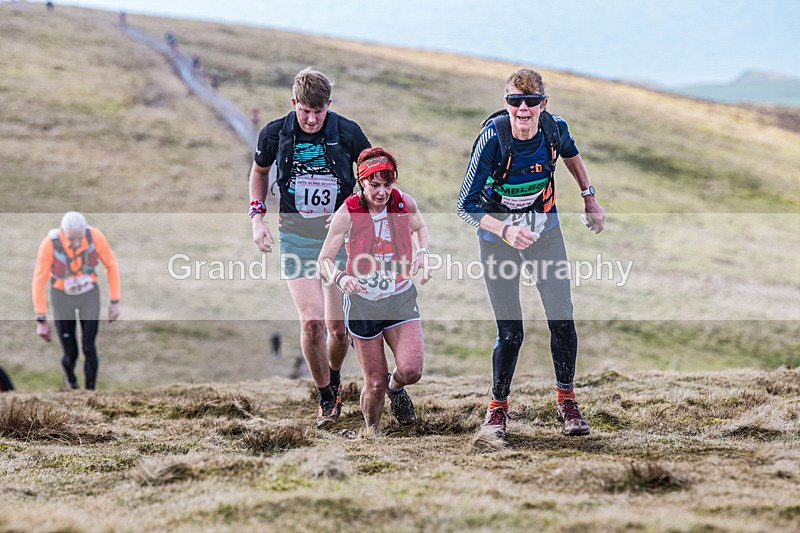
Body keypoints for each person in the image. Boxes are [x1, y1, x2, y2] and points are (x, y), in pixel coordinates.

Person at [456, 68, 605, 437]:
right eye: (515, 101)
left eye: (531, 101)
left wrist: (588, 197)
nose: (523, 108)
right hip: (498, 240)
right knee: (511, 331)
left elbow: (571, 154)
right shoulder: (492, 140)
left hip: (544, 232)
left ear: (543, 104)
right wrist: (506, 230)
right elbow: (465, 205)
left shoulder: (555, 129)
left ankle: (567, 401)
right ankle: (497, 409)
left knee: (562, 318)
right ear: (506, 103)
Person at [249, 68, 371, 428]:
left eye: (319, 111)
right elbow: (259, 172)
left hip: (339, 240)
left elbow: (373, 175)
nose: (313, 119)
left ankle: (334, 376)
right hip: (296, 239)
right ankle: (326, 396)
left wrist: (355, 208)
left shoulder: (348, 132)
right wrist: (257, 218)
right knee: (312, 322)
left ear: (329, 105)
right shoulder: (275, 133)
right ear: (294, 103)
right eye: (305, 111)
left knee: (338, 330)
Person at [319, 147, 431, 432]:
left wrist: (423, 252)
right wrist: (341, 279)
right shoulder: (347, 212)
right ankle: (372, 434)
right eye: (374, 185)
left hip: (400, 299)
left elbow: (420, 228)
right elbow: (324, 261)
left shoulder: (404, 202)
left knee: (411, 370)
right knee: (375, 382)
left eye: (387, 185)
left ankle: (397, 388)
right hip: (363, 305)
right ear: (362, 182)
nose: (382, 192)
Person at [32, 212, 121, 391]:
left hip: (89, 295)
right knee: (71, 353)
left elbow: (111, 265)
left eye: (80, 238)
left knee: (89, 347)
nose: (77, 243)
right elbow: (39, 280)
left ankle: (90, 392)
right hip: (62, 298)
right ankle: (71, 379)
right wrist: (41, 319)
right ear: (63, 233)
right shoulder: (49, 245)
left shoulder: (95, 237)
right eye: (72, 239)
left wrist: (115, 301)